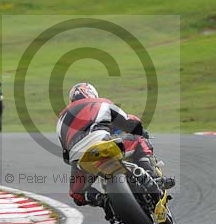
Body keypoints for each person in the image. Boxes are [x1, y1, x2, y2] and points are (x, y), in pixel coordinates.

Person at [56, 82, 174, 210]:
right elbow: (128, 121)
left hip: (79, 159)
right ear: (92, 94)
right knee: (139, 141)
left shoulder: (60, 121)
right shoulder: (101, 103)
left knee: (76, 193)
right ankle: (154, 177)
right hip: (102, 143)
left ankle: (104, 202)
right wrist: (140, 130)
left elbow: (66, 157)